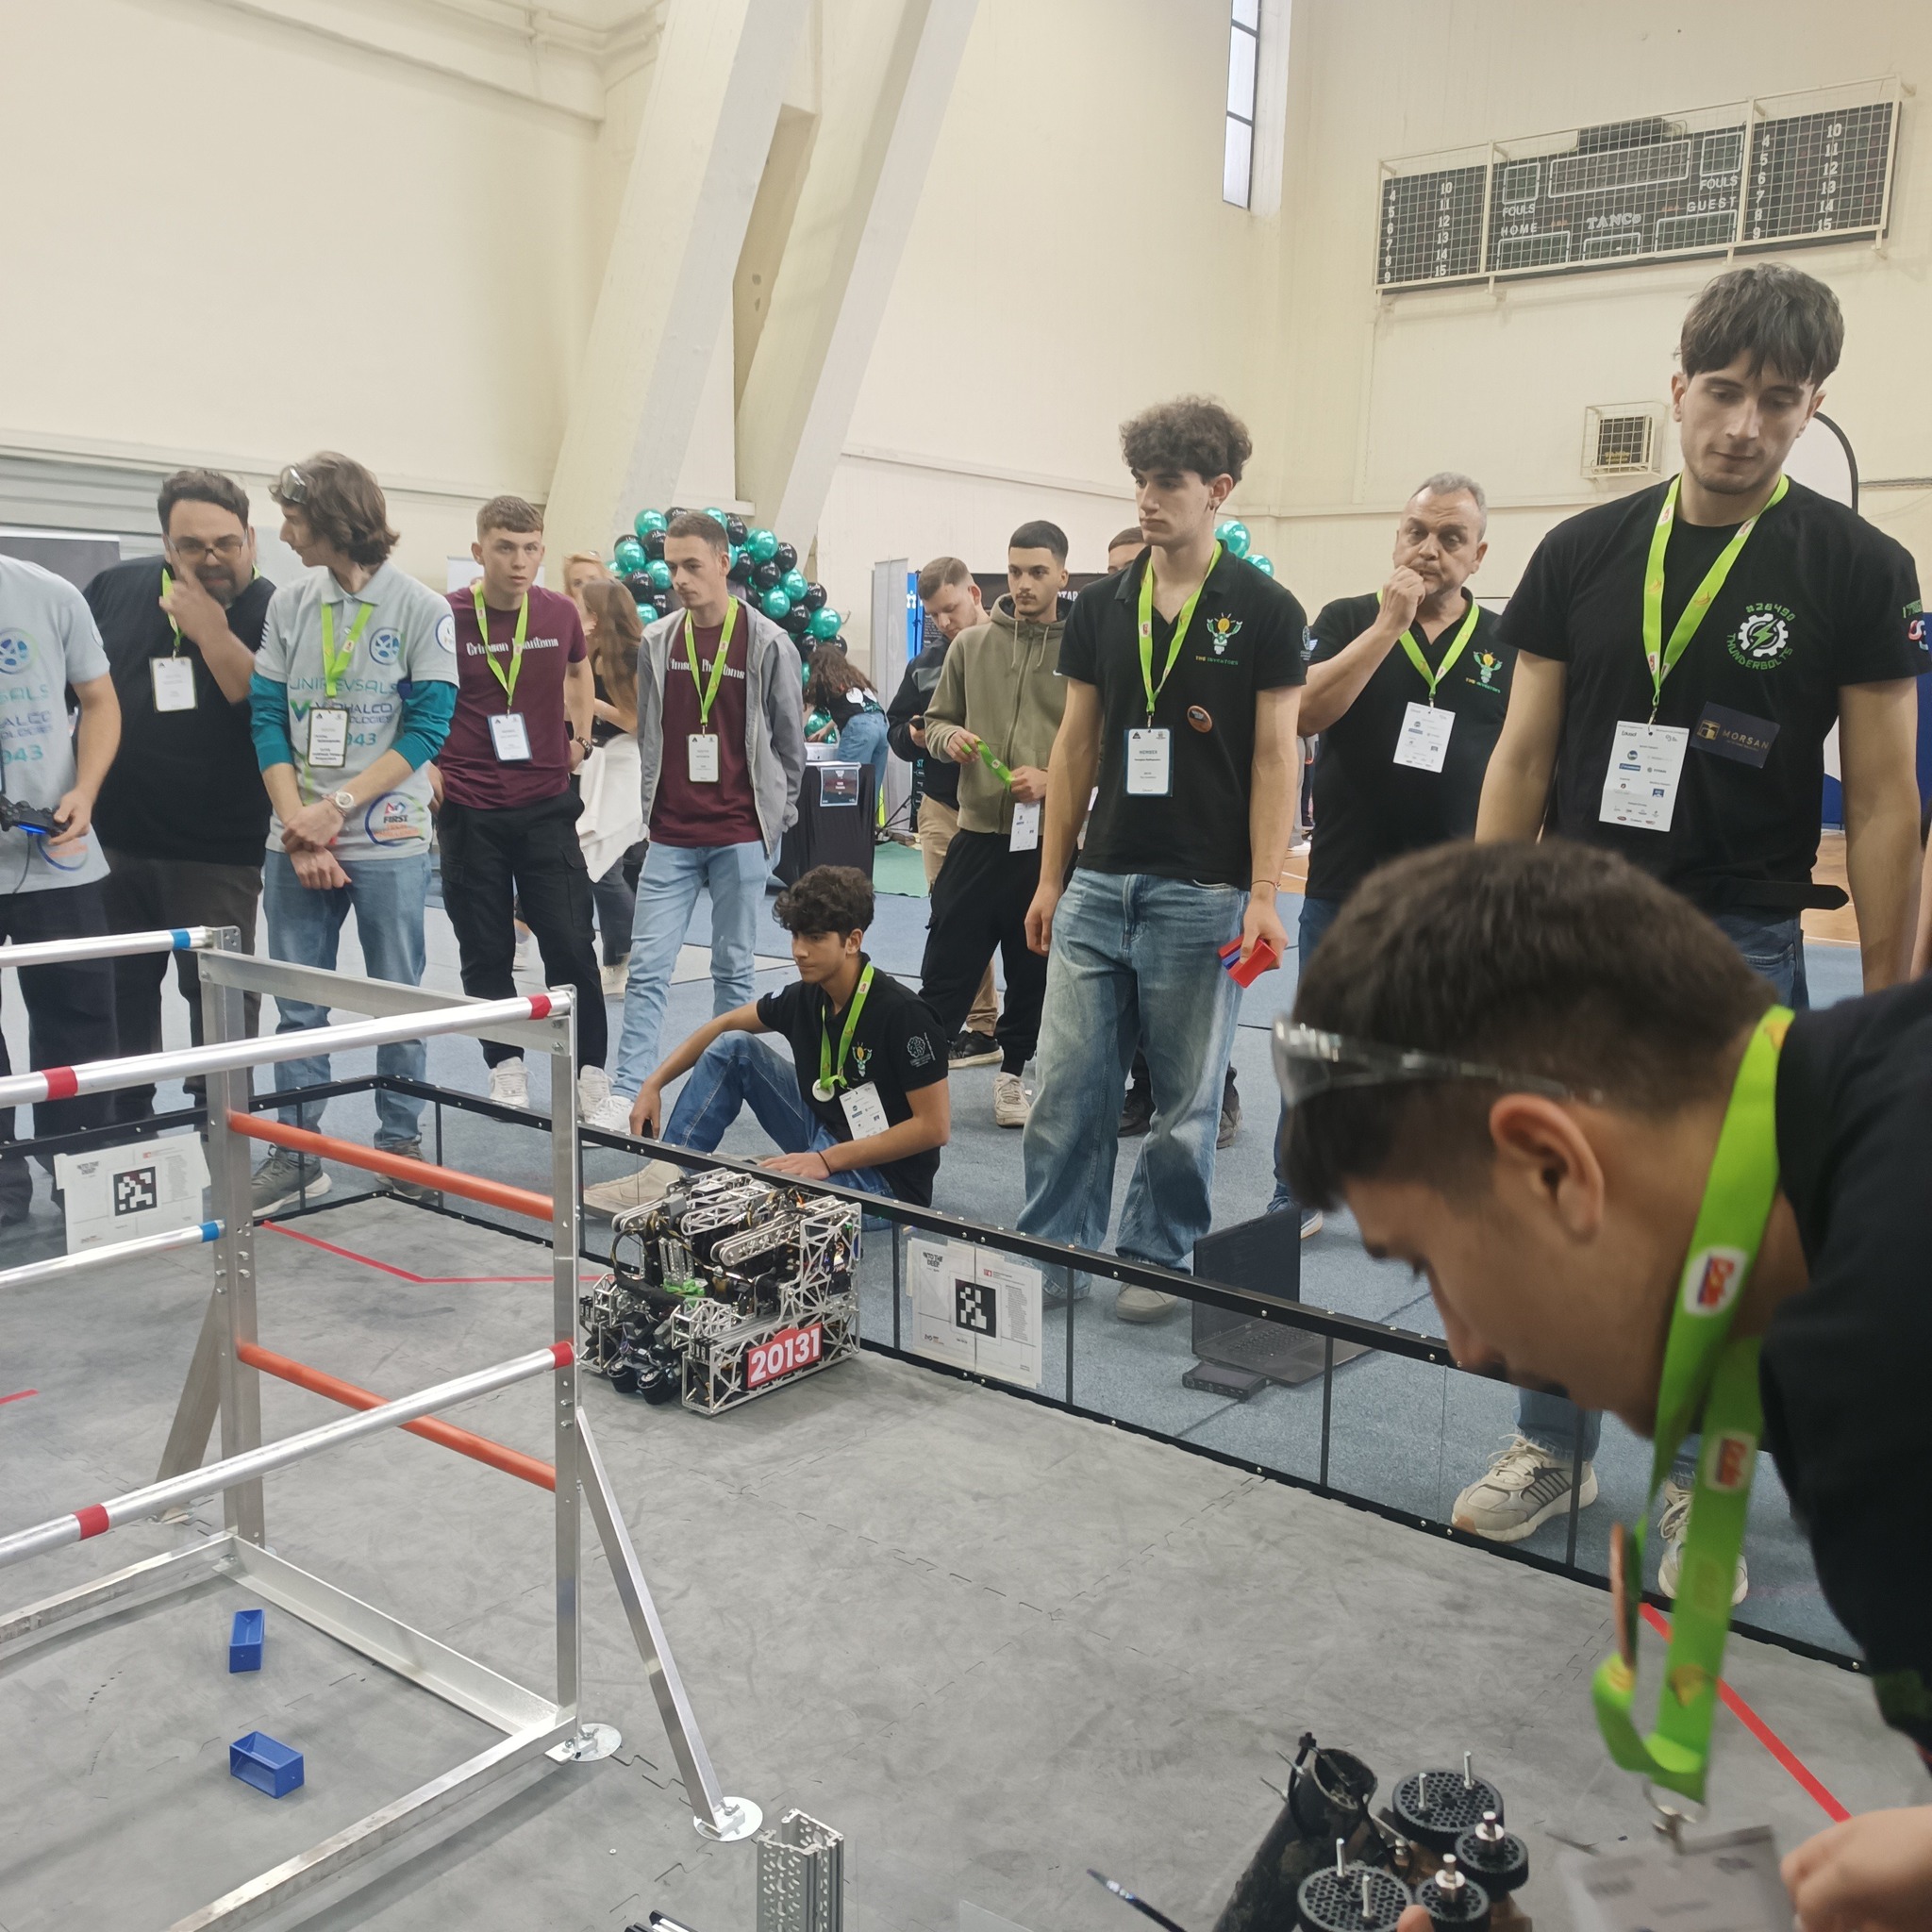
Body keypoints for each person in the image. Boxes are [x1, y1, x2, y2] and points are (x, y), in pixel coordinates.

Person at [1279, 840, 1932, 1932]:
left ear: (1551, 1164)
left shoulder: (1881, 1371)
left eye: (1430, 1264)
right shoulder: (1872, 1099)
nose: (1467, 1347)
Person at [1457, 263, 1927, 1559]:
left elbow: (1883, 799)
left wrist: (1889, 1002)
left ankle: (1696, 1478)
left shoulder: (1857, 566)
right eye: (1722, 392)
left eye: (1778, 400)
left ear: (1812, 406)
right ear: (1676, 390)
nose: (1743, 425)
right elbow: (1521, 757)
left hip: (1739, 948)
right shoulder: (1581, 552)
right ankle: (1553, 1446)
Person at [1021, 397, 1306, 1323]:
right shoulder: (1102, 605)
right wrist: (1052, 878)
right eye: (1139, 481)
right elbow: (1074, 745)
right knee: (1065, 1088)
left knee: (1186, 1101)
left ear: (1216, 490)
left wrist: (1262, 893)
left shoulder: (1264, 608)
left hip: (1205, 889)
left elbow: (1277, 758)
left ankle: (1154, 1254)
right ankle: (1054, 1250)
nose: (1146, 499)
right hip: (1100, 881)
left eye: (1167, 483)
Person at [1263, 472, 1508, 1237]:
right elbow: (1303, 713)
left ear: (1479, 555)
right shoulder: (1346, 618)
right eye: (1416, 532)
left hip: (1455, 890)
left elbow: (1532, 760)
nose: (1429, 550)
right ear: (1396, 537)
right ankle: (1297, 1186)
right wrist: (1385, 630)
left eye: (1451, 538)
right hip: (1348, 880)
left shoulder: (1507, 642)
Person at [247, 453, 458, 1216]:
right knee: (298, 1005)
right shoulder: (290, 604)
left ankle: (399, 1143)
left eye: (294, 520)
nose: (284, 533)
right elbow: (267, 718)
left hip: (385, 834)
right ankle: (297, 1153)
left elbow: (429, 727)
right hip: (296, 835)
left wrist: (334, 808)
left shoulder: (421, 608)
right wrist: (298, 827)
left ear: (335, 520)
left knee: (396, 999)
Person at [585, 511, 806, 1199]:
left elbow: (790, 743)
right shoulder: (657, 640)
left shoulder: (767, 642)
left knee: (733, 969)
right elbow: (652, 732)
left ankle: (722, 1084)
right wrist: (653, 811)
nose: (679, 578)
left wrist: (774, 821)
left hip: (741, 833)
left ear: (723, 562)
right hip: (673, 834)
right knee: (648, 966)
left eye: (692, 565)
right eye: (672, 567)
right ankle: (628, 1089)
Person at [87, 469, 275, 1125]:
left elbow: (265, 708)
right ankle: (124, 1123)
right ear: (167, 544)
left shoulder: (275, 610)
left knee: (220, 998)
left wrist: (211, 632)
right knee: (120, 993)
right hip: (115, 840)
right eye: (192, 546)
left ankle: (219, 1126)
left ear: (251, 537)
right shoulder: (115, 588)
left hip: (217, 851)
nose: (212, 559)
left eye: (227, 543)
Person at [622, 864, 950, 1208]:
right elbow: (723, 1026)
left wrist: (827, 1160)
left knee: (758, 1212)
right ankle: (670, 1173)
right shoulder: (806, 996)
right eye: (796, 935)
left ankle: (771, 1178)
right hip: (825, 1131)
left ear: (853, 941)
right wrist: (653, 1084)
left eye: (815, 938)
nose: (799, 951)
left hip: (886, 1180)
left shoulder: (904, 1014)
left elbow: (934, 1128)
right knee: (735, 1047)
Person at [437, 496, 608, 1117]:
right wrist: (428, 763)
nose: (519, 561)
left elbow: (579, 672)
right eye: (505, 548)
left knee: (571, 945)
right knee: (484, 949)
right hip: (469, 807)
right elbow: (415, 693)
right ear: (478, 551)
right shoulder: (445, 616)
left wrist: (581, 739)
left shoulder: (559, 612)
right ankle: (505, 1063)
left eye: (530, 548)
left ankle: (589, 1072)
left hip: (545, 804)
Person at [916, 520, 1069, 1129]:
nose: (1024, 583)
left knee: (1033, 973)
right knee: (944, 965)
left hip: (1048, 846)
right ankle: (913, 1078)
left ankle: (1013, 1078)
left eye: (1038, 571)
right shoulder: (970, 647)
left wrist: (1053, 780)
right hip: (976, 835)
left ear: (1062, 574)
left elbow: (1103, 748)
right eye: (1015, 571)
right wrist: (949, 737)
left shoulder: (1083, 652)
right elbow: (934, 721)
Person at [1114, 511, 1243, 1152]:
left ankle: (1223, 1092)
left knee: (1193, 1014)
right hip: (1117, 846)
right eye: (1114, 574)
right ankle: (1143, 1090)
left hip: (1199, 859)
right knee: (1130, 999)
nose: (1126, 583)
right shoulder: (1110, 629)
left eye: (1128, 568)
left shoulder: (1213, 634)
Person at [0, 557, 123, 1224]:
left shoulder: (49, 595)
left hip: (57, 851)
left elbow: (99, 700)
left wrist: (86, 790)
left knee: (79, 1018)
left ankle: (83, 1172)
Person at [889, 558, 999, 1064]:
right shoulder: (924, 664)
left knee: (1024, 919)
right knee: (953, 918)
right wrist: (913, 737)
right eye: (933, 614)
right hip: (942, 807)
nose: (943, 622)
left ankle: (1031, 1029)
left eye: (950, 609)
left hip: (1006, 810)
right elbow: (896, 730)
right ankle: (981, 1026)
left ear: (974, 594)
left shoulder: (1011, 650)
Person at [577, 577, 646, 996]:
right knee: (601, 862)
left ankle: (626, 952)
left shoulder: (636, 656)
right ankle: (620, 956)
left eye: (584, 608)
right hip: (593, 761)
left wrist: (594, 704)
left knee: (601, 860)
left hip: (626, 761)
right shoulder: (586, 652)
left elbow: (637, 722)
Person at [804, 642, 889, 834]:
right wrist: (826, 729)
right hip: (882, 725)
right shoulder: (852, 676)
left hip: (860, 730)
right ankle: (865, 833)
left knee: (844, 787)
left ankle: (840, 833)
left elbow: (813, 700)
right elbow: (854, 707)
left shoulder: (825, 679)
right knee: (870, 787)